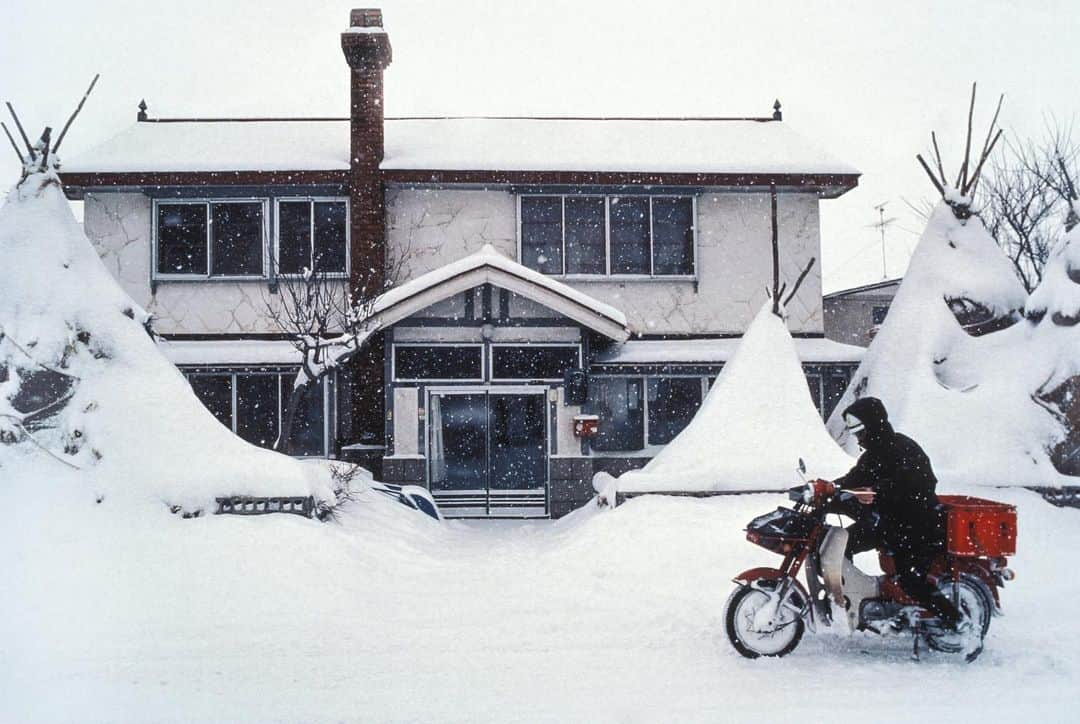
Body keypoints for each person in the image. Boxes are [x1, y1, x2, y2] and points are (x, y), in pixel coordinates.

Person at [832, 396, 961, 628]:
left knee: (909, 580)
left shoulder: (903, 448)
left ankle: (958, 622)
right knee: (841, 544)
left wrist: (879, 491)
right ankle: (854, 599)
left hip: (918, 526)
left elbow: (920, 484)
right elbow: (855, 478)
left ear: (873, 426)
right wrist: (829, 489)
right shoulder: (873, 454)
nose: (859, 438)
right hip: (889, 523)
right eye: (856, 434)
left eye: (861, 432)